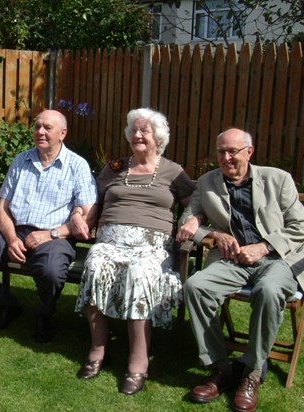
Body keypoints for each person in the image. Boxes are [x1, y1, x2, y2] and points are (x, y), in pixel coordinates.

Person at [176, 128, 304, 412]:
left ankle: (252, 371)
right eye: (221, 152)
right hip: (233, 260)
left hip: (278, 259)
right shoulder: (207, 182)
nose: (226, 158)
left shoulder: (278, 179)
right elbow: (190, 217)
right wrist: (209, 231)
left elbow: (302, 227)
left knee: (268, 290)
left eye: (233, 151)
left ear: (249, 152)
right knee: (196, 286)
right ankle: (221, 368)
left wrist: (263, 247)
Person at [74, 108, 196, 395]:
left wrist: (192, 218)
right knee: (94, 266)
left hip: (151, 244)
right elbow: (93, 200)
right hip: (110, 240)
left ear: (159, 137)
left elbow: (194, 201)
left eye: (145, 131)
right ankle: (98, 349)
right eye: (134, 131)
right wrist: (80, 215)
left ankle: (138, 361)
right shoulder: (116, 168)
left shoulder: (173, 171)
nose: (138, 135)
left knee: (140, 274)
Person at [0, 109, 97, 343]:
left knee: (51, 272)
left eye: (47, 128)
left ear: (62, 133)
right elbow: (3, 207)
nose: (40, 131)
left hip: (55, 236)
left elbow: (89, 215)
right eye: (37, 126)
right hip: (15, 229)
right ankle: (6, 303)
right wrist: (11, 238)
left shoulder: (77, 165)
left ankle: (44, 314)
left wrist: (51, 234)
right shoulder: (22, 160)